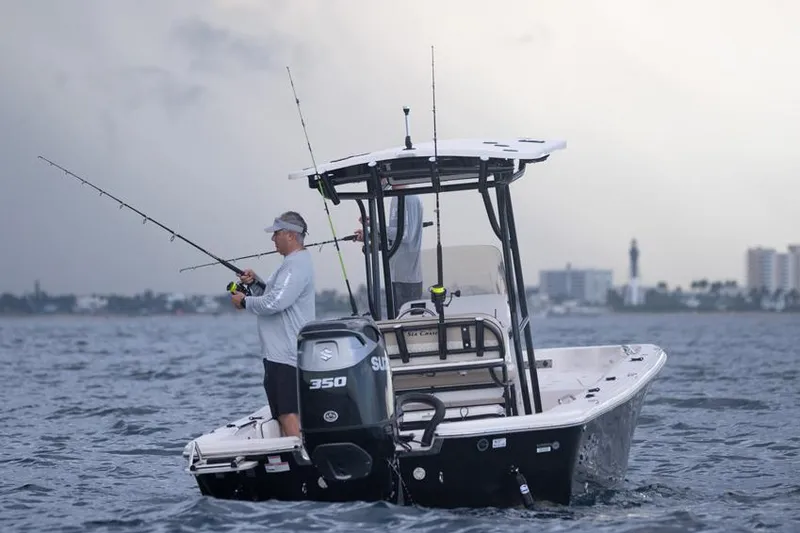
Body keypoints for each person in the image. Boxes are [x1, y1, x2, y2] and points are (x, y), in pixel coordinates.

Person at [230, 211, 315, 438]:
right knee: (284, 413)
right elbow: (275, 294)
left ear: (290, 235)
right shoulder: (290, 264)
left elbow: (276, 302)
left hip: (285, 355)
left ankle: (303, 463)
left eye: (276, 233)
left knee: (288, 414)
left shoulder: (295, 265)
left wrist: (245, 301)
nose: (272, 239)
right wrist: (256, 283)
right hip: (279, 354)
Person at [355, 181, 423, 312]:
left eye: (381, 176)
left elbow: (405, 235)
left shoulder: (410, 198)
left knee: (408, 325)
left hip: (408, 281)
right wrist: (369, 236)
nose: (380, 180)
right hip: (395, 277)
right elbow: (394, 239)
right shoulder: (395, 198)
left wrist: (376, 225)